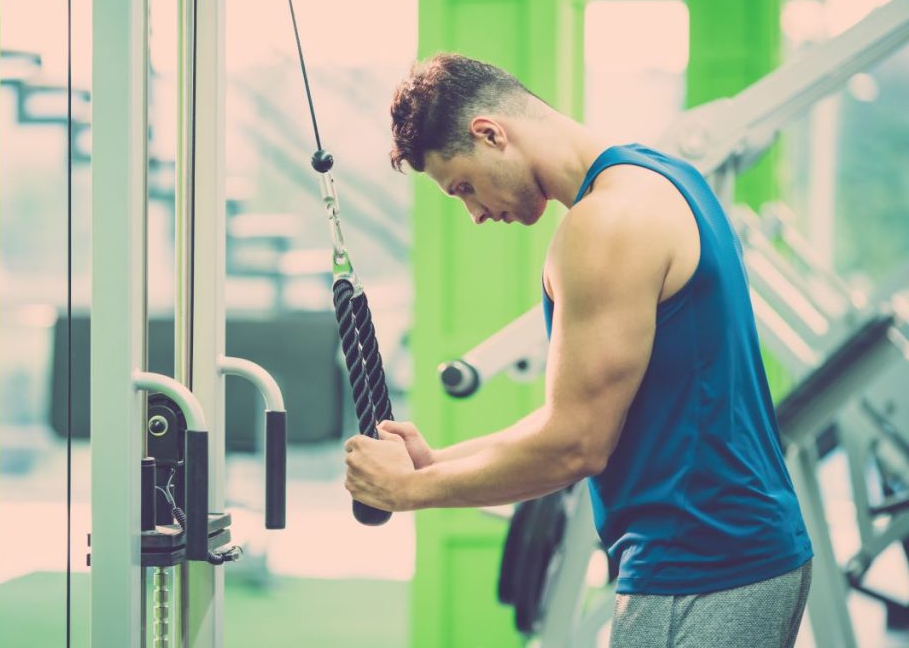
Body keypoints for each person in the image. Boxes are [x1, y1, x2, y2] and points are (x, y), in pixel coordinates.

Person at [343, 53, 813, 647]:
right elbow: (568, 421)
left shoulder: (605, 226)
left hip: (700, 569)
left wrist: (409, 492)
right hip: (735, 555)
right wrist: (435, 463)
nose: (476, 214)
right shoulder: (661, 174)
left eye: (463, 186)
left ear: (490, 134)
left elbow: (574, 448)